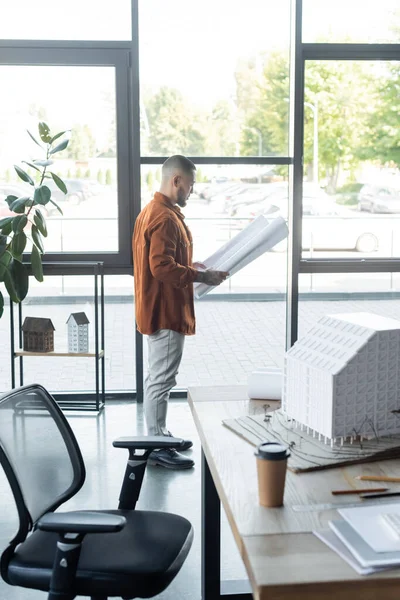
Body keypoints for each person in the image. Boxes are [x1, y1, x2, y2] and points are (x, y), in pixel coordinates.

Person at [133, 155, 228, 470]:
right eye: (191, 185)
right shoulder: (165, 218)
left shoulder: (152, 212)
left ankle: (158, 435)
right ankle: (157, 444)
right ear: (176, 181)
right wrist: (203, 276)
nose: (192, 191)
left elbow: (167, 260)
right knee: (162, 379)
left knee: (157, 377)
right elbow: (161, 267)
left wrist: (192, 267)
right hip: (166, 311)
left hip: (156, 308)